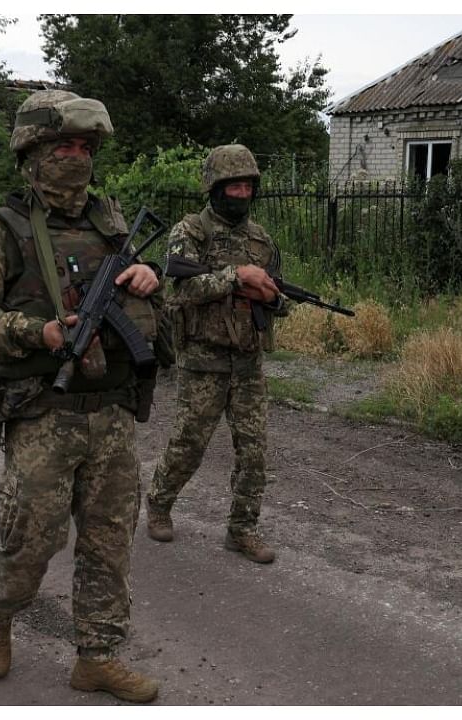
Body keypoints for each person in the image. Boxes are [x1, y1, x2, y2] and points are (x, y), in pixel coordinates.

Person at [0, 88, 161, 703]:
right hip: (43, 410)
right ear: (32, 153)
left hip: (111, 410)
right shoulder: (0, 229)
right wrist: (32, 330)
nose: (74, 157)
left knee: (109, 542)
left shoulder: (110, 219)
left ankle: (97, 656)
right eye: (61, 145)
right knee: (32, 541)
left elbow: (145, 304)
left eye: (83, 146)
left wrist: (146, 282)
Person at [145, 144, 286, 564]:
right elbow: (180, 289)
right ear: (215, 188)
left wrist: (274, 299)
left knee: (254, 451)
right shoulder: (190, 232)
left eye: (247, 186)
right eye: (233, 186)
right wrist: (235, 277)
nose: (241, 194)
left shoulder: (261, 240)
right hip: (203, 360)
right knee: (189, 443)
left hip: (247, 360)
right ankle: (159, 503)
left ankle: (242, 529)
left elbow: (278, 295)